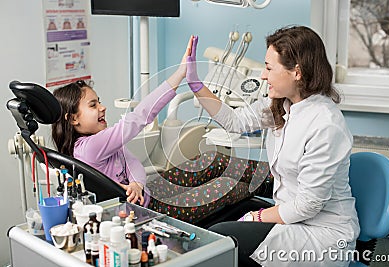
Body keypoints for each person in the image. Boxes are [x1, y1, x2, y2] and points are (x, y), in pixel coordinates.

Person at [185, 26, 360, 266]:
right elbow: (235, 121)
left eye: (269, 68)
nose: (263, 75)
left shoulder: (326, 125)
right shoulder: (282, 105)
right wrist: (196, 84)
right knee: (215, 228)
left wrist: (256, 217)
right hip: (293, 220)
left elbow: (308, 205)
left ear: (296, 72)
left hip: (322, 237)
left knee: (222, 242)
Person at [51, 37, 271, 224]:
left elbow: (132, 161)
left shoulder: (101, 140)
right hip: (149, 212)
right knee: (228, 185)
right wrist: (179, 75)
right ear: (73, 119)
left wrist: (138, 183)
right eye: (93, 105)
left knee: (212, 159)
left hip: (151, 193)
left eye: (98, 102)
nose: (102, 107)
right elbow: (138, 118)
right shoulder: (88, 149)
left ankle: (278, 181)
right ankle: (282, 197)